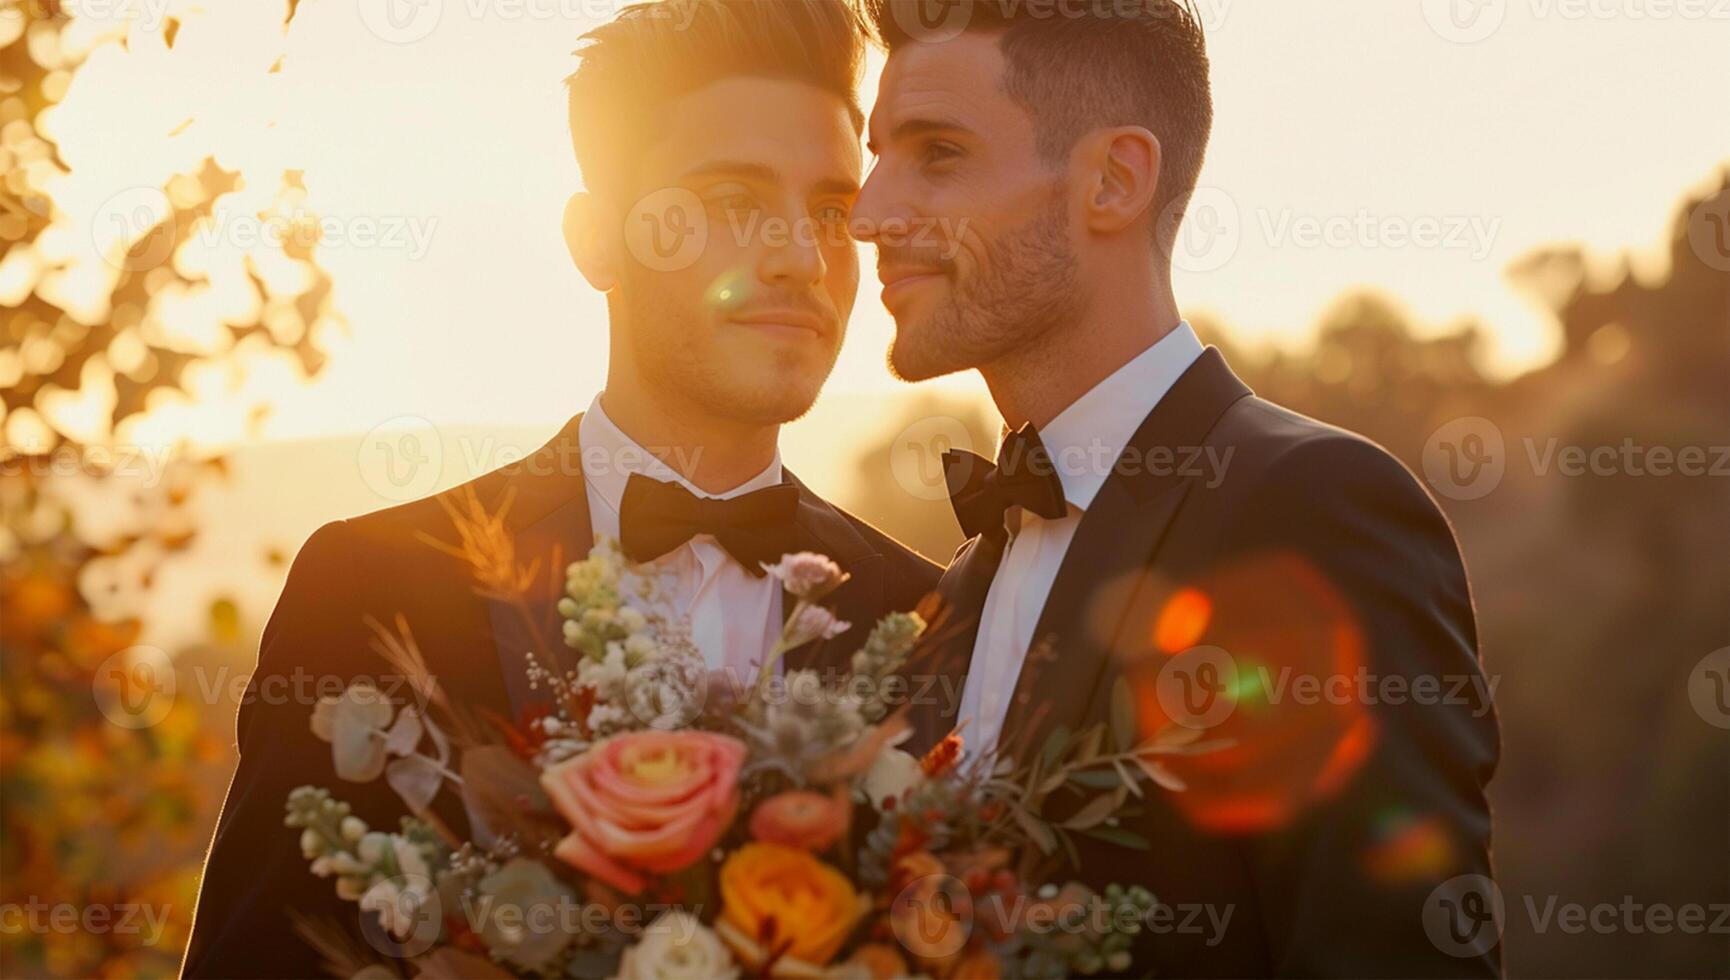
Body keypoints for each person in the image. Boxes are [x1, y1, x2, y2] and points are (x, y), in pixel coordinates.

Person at [182, 3, 937, 975]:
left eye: (831, 209)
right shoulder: (373, 590)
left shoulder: (927, 619)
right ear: (595, 239)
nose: (799, 255)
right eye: (729, 197)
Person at [852, 1, 1501, 974]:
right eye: (874, 157)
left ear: (1111, 180)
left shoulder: (1309, 509)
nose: (868, 213)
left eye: (935, 154)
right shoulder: (963, 584)